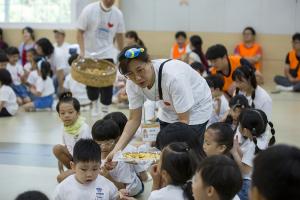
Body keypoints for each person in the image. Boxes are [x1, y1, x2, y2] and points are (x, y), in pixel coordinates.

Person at [107, 45, 212, 161]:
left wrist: (169, 155)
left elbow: (183, 123)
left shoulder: (174, 77)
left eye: (140, 70)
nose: (137, 78)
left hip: (196, 108)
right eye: (130, 74)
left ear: (149, 61)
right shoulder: (132, 83)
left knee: (186, 151)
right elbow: (134, 120)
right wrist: (116, 151)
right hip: (168, 106)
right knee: (161, 146)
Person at [77, 0, 125, 117]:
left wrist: (122, 54)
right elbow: (80, 31)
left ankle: (105, 108)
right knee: (91, 84)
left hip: (107, 53)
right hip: (90, 54)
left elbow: (120, 35)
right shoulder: (89, 10)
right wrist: (82, 51)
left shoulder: (118, 14)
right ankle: (94, 103)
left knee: (108, 82)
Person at [231, 109, 275, 200]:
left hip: (248, 183)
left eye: (240, 124)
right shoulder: (261, 140)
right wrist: (238, 149)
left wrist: (234, 153)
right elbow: (250, 160)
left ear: (245, 131)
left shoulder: (252, 146)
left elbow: (245, 170)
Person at [92, 119, 143, 197]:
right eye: (99, 144)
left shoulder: (120, 160)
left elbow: (123, 188)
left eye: (108, 143)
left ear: (118, 140)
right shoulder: (93, 154)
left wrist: (108, 176)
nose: (104, 147)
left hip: (130, 189)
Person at [53, 139, 118, 200]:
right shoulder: (63, 188)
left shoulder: (107, 185)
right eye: (84, 169)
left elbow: (116, 197)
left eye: (95, 169)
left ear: (100, 165)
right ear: (73, 166)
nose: (89, 174)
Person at [53, 92, 91, 181]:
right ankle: (74, 172)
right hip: (74, 160)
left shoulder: (84, 128)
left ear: (78, 113)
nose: (66, 115)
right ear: (59, 115)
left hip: (86, 161)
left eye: (70, 112)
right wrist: (61, 170)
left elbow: (87, 154)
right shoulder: (65, 127)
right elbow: (65, 147)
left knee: (60, 179)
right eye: (62, 113)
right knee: (57, 148)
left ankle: (79, 174)